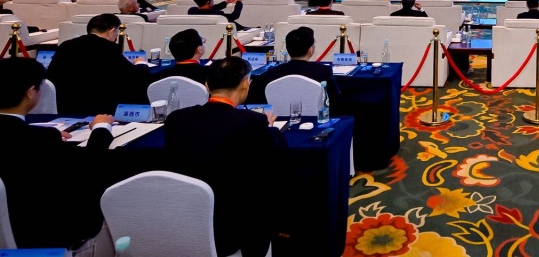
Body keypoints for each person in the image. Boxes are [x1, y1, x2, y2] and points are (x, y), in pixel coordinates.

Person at [164, 57, 286, 257]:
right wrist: (270, 129)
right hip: (235, 226)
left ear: (207, 86)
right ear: (246, 83)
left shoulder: (176, 119)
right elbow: (274, 161)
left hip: (186, 218)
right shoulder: (252, 122)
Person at [0, 58, 115, 250]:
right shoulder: (40, 140)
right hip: (40, 234)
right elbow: (89, 169)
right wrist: (101, 128)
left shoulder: (39, 138)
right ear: (31, 92)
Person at [46, 13, 151, 114]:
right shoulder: (108, 48)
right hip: (99, 109)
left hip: (64, 106)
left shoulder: (66, 45)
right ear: (112, 31)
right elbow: (133, 77)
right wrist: (140, 63)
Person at [248, 26, 339, 106]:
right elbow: (334, 99)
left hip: (278, 118)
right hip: (316, 117)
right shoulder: (323, 71)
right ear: (311, 50)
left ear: (287, 49)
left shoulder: (272, 73)